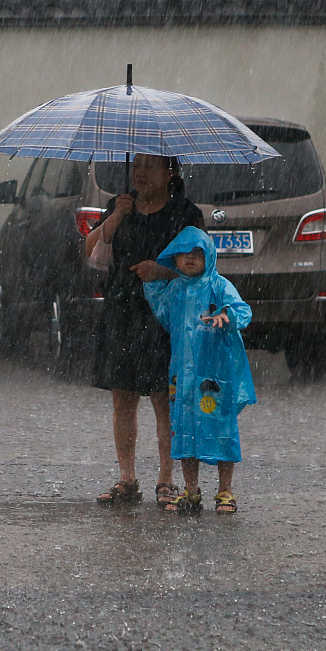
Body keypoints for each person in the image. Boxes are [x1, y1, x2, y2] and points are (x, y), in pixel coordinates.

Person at [84, 154, 204, 506]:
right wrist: (117, 217)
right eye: (135, 165)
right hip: (122, 309)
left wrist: (163, 272)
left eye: (149, 166)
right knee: (122, 397)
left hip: (166, 314)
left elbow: (202, 267)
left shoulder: (186, 214)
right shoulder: (118, 206)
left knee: (164, 398)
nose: (139, 172)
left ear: (171, 172)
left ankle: (166, 480)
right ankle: (127, 478)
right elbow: (90, 252)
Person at [143, 226, 256, 515]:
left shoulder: (219, 286)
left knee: (220, 427)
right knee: (184, 430)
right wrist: (153, 279)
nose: (191, 259)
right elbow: (163, 311)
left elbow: (242, 311)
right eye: (183, 255)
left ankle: (225, 491)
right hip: (183, 375)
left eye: (197, 253)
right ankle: (191, 491)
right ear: (175, 259)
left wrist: (225, 316)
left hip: (213, 374)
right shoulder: (177, 290)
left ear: (209, 256)